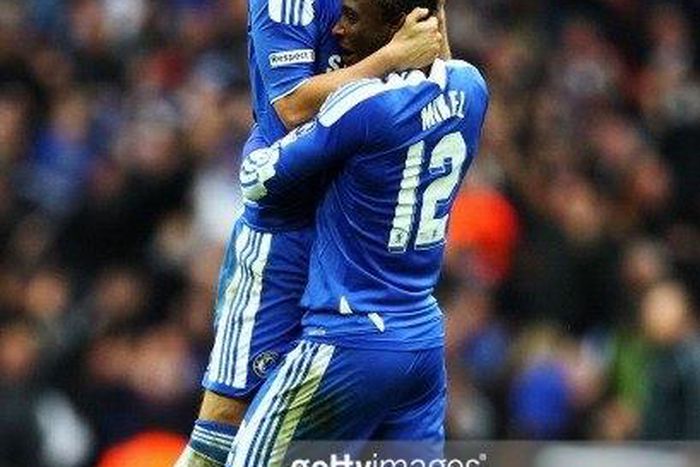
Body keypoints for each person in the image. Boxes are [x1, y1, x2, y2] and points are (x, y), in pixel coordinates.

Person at [176, 0, 443, 464]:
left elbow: (435, 77)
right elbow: (291, 108)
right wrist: (390, 59)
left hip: (359, 230)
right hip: (287, 229)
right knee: (223, 430)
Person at [228, 0, 488, 463]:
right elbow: (440, 70)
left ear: (397, 27)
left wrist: (263, 142)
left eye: (350, 16)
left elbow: (258, 177)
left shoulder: (361, 107)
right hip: (423, 342)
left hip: (347, 339)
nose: (338, 31)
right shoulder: (472, 87)